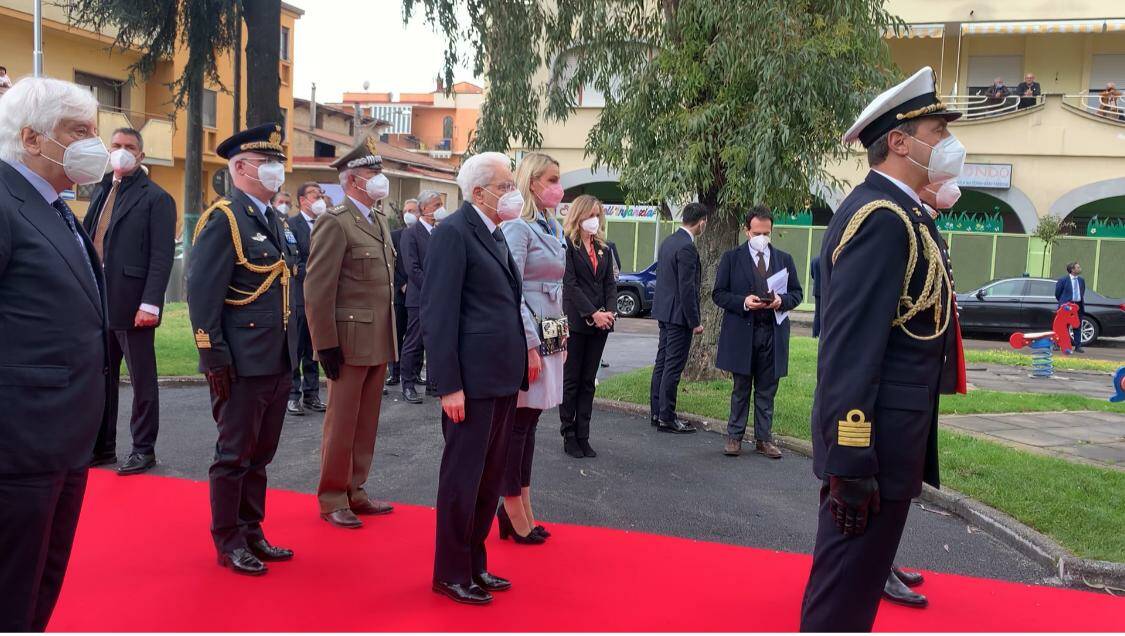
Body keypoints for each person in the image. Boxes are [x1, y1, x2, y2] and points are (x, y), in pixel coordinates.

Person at [800, 67, 964, 632]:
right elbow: (850, 350)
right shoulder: (882, 219)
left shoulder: (903, 212)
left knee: (855, 593)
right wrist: (849, 460)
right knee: (841, 602)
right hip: (870, 447)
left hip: (890, 441)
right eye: (938, 131)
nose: (948, 144)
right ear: (899, 141)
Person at [0, 76, 108, 632]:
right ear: (33, 139)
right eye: (80, 131)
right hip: (18, 442)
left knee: (41, 583)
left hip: (63, 439)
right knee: (11, 591)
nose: (95, 142)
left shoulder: (57, 206)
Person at [187, 123, 299, 576]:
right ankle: (228, 538)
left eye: (278, 162)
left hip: (276, 358)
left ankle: (252, 529)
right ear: (239, 168)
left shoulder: (272, 218)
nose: (276, 170)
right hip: (241, 360)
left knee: (261, 453)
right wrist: (212, 356)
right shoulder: (224, 219)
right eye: (267, 163)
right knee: (234, 454)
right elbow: (203, 295)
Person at [422, 151, 528, 605]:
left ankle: (474, 563)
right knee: (463, 479)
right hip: (470, 381)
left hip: (501, 377)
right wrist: (449, 385)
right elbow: (438, 313)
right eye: (505, 186)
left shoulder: (496, 233)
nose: (512, 193)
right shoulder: (453, 234)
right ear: (479, 191)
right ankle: (450, 571)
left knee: (488, 479)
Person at [304, 136, 397, 529]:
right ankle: (331, 497)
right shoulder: (335, 221)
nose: (381, 180)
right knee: (341, 423)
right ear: (354, 180)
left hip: (377, 337)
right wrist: (324, 343)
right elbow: (317, 288)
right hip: (347, 340)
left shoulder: (378, 221)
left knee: (366, 421)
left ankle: (356, 488)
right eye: (374, 174)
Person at [83, 127, 176, 475]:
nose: (121, 152)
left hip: (134, 303)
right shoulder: (102, 189)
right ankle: (102, 446)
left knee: (141, 381)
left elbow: (161, 256)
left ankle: (143, 448)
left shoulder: (156, 198)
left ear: (140, 155)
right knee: (101, 378)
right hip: (98, 300)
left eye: (129, 147)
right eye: (116, 146)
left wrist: (150, 303)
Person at [494, 152, 566, 545]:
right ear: (532, 181)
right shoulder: (517, 228)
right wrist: (531, 345)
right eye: (551, 178)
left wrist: (558, 341)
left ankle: (521, 500)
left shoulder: (551, 226)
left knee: (531, 422)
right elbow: (512, 290)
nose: (558, 186)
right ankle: (510, 506)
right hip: (528, 335)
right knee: (518, 426)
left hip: (551, 330)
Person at [712, 206, 803, 458]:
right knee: (741, 387)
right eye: (757, 232)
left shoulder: (784, 259)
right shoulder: (732, 258)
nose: (762, 237)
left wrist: (781, 301)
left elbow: (797, 293)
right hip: (742, 332)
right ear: (746, 231)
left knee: (767, 389)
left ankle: (764, 439)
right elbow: (718, 293)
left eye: (767, 232)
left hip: (772, 333)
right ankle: (734, 436)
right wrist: (743, 301)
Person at [561, 194, 616, 458]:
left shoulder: (604, 247)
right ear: (578, 216)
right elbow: (570, 285)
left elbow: (609, 283)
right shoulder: (568, 246)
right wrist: (592, 313)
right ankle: (569, 433)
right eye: (589, 215)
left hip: (601, 323)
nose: (594, 220)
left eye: (597, 215)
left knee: (588, 382)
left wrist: (609, 311)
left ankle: (584, 434)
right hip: (577, 321)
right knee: (571, 380)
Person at [649, 202, 710, 434]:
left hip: (664, 311)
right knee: (673, 366)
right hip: (678, 316)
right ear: (701, 222)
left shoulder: (668, 242)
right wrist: (695, 321)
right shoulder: (687, 248)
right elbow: (687, 288)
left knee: (662, 362)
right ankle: (667, 416)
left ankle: (657, 411)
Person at [285, 181, 327, 416]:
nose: (319, 198)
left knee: (314, 349)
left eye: (320, 194)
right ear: (302, 200)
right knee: (297, 347)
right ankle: (293, 395)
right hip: (300, 296)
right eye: (314, 194)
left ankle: (312, 394)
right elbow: (294, 262)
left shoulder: (326, 223)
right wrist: (319, 275)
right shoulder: (291, 226)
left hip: (322, 298)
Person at [399, 192, 443, 403]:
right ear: (424, 208)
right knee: (414, 341)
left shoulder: (440, 231)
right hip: (420, 297)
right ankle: (407, 384)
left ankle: (434, 383)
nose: (440, 208)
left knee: (435, 341)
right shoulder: (412, 233)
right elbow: (412, 267)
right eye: (437, 205)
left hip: (439, 297)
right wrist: (432, 288)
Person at [386, 200, 416, 388]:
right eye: (405, 211)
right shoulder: (394, 235)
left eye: (411, 210)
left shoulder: (424, 234)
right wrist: (401, 284)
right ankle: (394, 373)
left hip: (417, 292)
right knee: (396, 335)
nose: (408, 214)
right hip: (399, 293)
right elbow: (390, 264)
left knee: (415, 337)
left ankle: (414, 372)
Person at [1054, 261, 1086, 353]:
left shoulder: (1081, 280)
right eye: (1078, 267)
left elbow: (1082, 292)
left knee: (1077, 325)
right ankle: (1057, 344)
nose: (1080, 269)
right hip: (1066, 307)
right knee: (1062, 326)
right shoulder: (1063, 280)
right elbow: (1057, 294)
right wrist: (1064, 302)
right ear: (1072, 269)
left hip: (1077, 306)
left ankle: (1078, 346)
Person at [810, 255, 821, 338]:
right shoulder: (827, 259)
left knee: (817, 314)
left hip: (817, 290)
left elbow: (812, 275)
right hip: (826, 290)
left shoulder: (814, 260)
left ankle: (815, 335)